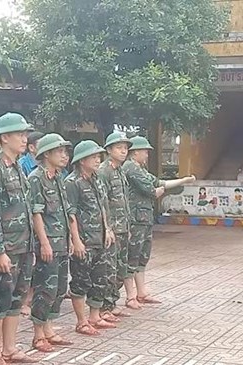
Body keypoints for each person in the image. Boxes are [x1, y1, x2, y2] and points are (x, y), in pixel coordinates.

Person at [0, 113, 39, 365]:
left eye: (26, 134)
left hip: (23, 245)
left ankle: (10, 348)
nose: (25, 139)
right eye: (20, 134)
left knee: (16, 299)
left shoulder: (16, 166)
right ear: (5, 138)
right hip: (7, 249)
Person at [124, 136, 194, 306]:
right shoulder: (130, 168)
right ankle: (130, 296)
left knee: (142, 256)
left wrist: (183, 181)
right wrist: (156, 191)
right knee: (132, 257)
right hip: (135, 219)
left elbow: (158, 183)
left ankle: (141, 292)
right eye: (145, 151)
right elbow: (151, 189)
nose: (147, 155)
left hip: (144, 218)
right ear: (135, 153)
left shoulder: (140, 169)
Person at [28, 133, 82, 351]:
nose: (64, 155)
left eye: (65, 151)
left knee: (59, 287)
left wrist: (73, 238)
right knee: (45, 288)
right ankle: (38, 333)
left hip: (61, 242)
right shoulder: (36, 178)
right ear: (46, 154)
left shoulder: (60, 177)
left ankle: (49, 327)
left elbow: (69, 212)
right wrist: (44, 243)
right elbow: (36, 213)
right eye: (59, 151)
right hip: (48, 243)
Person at [66, 140, 117, 335]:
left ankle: (95, 316)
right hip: (84, 239)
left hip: (100, 238)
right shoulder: (72, 182)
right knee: (80, 280)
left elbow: (103, 206)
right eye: (93, 157)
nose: (98, 160)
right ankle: (81, 320)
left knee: (100, 278)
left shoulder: (97, 179)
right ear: (81, 160)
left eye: (98, 156)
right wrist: (76, 240)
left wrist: (108, 229)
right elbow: (71, 214)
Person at [97, 131, 136, 316]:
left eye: (125, 148)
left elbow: (124, 201)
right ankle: (105, 307)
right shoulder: (103, 171)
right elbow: (103, 202)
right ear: (109, 150)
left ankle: (112, 302)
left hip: (123, 227)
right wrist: (107, 228)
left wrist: (127, 226)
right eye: (119, 148)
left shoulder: (120, 170)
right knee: (109, 269)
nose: (123, 151)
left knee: (121, 268)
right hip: (111, 229)